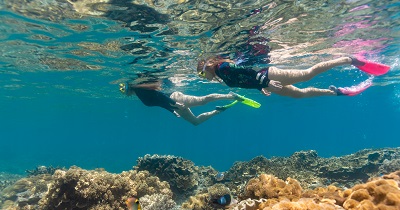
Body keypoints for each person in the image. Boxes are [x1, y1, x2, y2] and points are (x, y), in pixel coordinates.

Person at [197, 56, 390, 98]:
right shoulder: (222, 73)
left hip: (270, 75)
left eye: (201, 73)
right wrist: (260, 87)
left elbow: (247, 71)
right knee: (300, 95)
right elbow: (245, 79)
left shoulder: (222, 68)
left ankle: (348, 59)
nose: (202, 77)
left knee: (307, 75)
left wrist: (265, 82)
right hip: (267, 83)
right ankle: (337, 92)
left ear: (207, 66)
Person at [119, 80, 247, 126]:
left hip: (175, 99)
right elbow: (159, 101)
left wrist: (174, 104)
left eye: (124, 91)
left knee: (202, 101)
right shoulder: (139, 92)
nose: (126, 94)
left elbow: (159, 96)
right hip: (174, 104)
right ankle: (218, 110)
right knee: (195, 122)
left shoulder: (140, 91)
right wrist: (172, 110)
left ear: (127, 89)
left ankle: (230, 96)